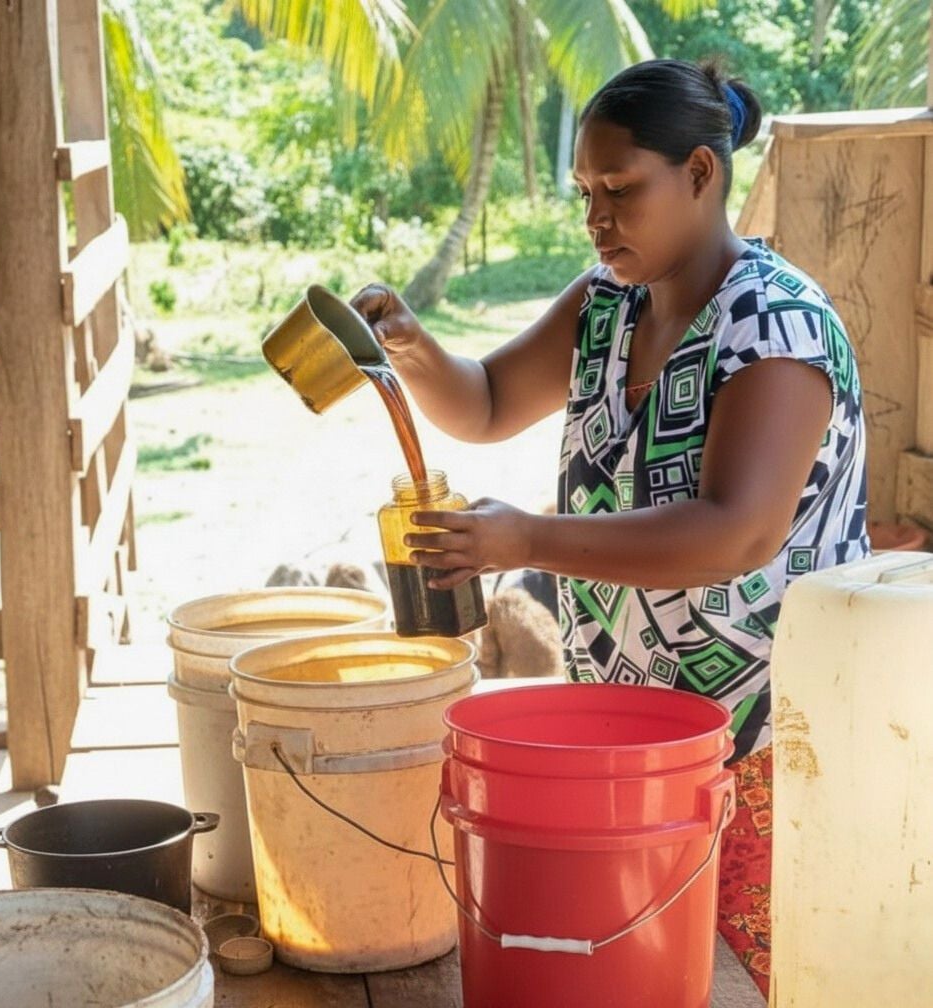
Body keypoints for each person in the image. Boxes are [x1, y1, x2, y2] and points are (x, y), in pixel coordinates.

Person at [351, 58, 869, 995]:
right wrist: (416, 347)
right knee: (641, 963)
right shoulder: (607, 307)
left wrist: (528, 540)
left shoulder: (774, 324)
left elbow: (736, 533)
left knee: (759, 969)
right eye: (585, 192)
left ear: (702, 175)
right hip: (635, 731)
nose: (596, 218)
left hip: (758, 737)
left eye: (621, 189)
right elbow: (491, 400)